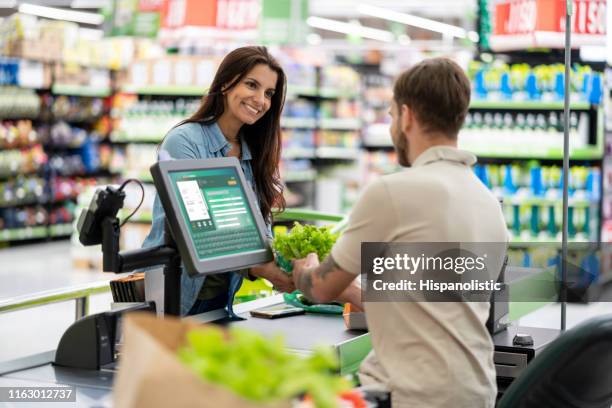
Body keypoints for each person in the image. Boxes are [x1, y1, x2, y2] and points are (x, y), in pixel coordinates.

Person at [291, 58, 508, 407]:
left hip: (411, 396)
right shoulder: (487, 202)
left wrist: (303, 270)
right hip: (475, 392)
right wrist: (353, 290)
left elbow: (317, 288)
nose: (393, 125)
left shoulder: (392, 192)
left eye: (391, 115)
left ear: (407, 116)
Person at [142, 46, 295, 317]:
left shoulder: (253, 152)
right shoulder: (185, 141)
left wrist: (287, 262)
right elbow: (201, 231)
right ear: (226, 82)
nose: (260, 100)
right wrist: (261, 268)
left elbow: (262, 228)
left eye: (269, 93)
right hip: (170, 298)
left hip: (219, 301)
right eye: (252, 85)